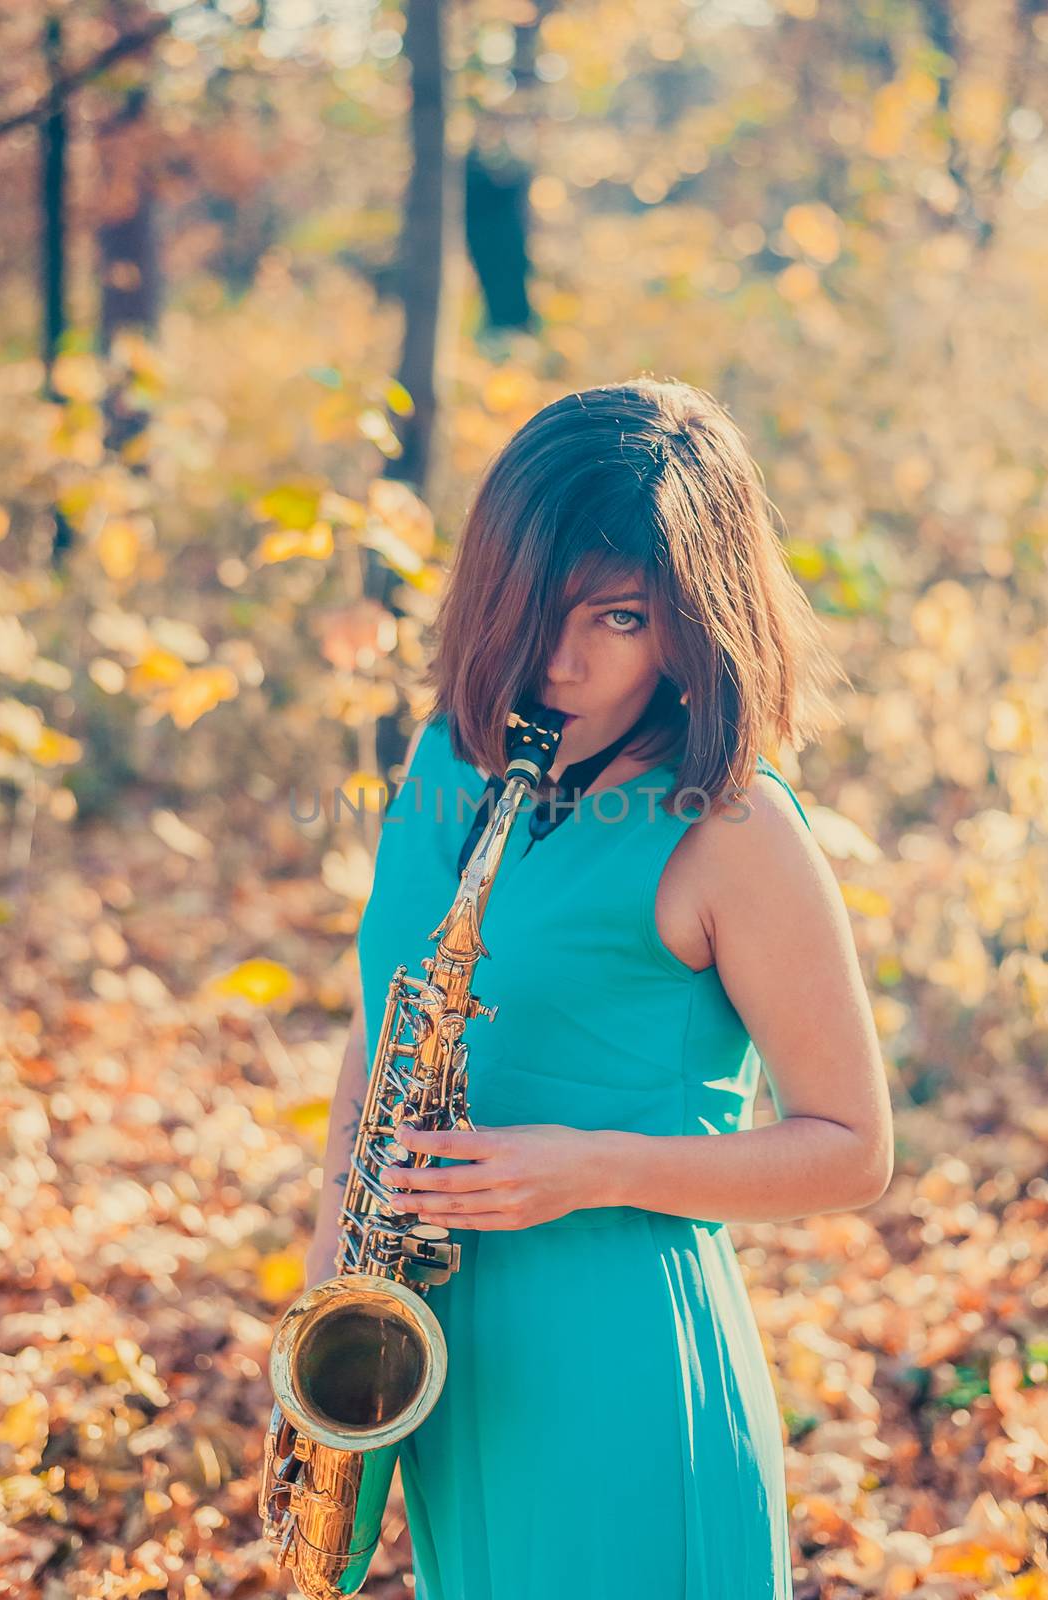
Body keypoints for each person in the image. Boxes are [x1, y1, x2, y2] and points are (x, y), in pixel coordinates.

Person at [300, 377, 894, 1600]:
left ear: (692, 618)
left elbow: (854, 1147)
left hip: (623, 1370)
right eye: (540, 607)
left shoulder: (734, 828)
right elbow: (381, 1034)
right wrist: (332, 1293)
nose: (561, 659)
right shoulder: (437, 760)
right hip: (440, 1364)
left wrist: (592, 1165)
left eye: (619, 618)